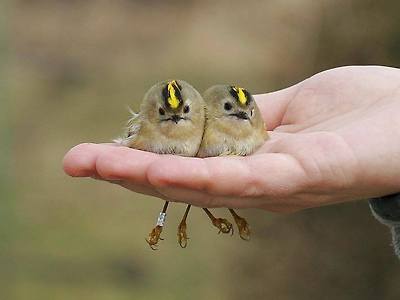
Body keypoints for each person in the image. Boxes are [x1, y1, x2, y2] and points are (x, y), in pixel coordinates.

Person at [63, 65, 400, 256]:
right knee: (184, 179)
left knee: (193, 180)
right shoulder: (165, 125)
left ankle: (208, 220)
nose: (178, 120)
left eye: (185, 113)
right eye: (167, 113)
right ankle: (168, 224)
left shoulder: (210, 124)